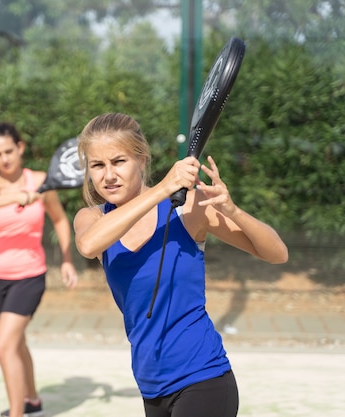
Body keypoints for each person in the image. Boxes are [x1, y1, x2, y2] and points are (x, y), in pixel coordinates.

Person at [73, 113, 288, 417]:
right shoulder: (92, 218)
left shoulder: (187, 207)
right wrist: (163, 187)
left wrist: (233, 211)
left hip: (203, 378)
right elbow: (88, 245)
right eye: (97, 165)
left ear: (141, 159)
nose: (108, 175)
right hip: (151, 386)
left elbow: (277, 253)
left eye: (118, 161)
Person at [0, 122, 79, 417]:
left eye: (9, 151)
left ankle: (17, 413)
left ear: (20, 148)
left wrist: (66, 258)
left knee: (4, 344)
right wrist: (14, 196)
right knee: (16, 342)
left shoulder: (42, 181)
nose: (4, 159)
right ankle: (32, 401)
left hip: (29, 276)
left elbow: (60, 220)